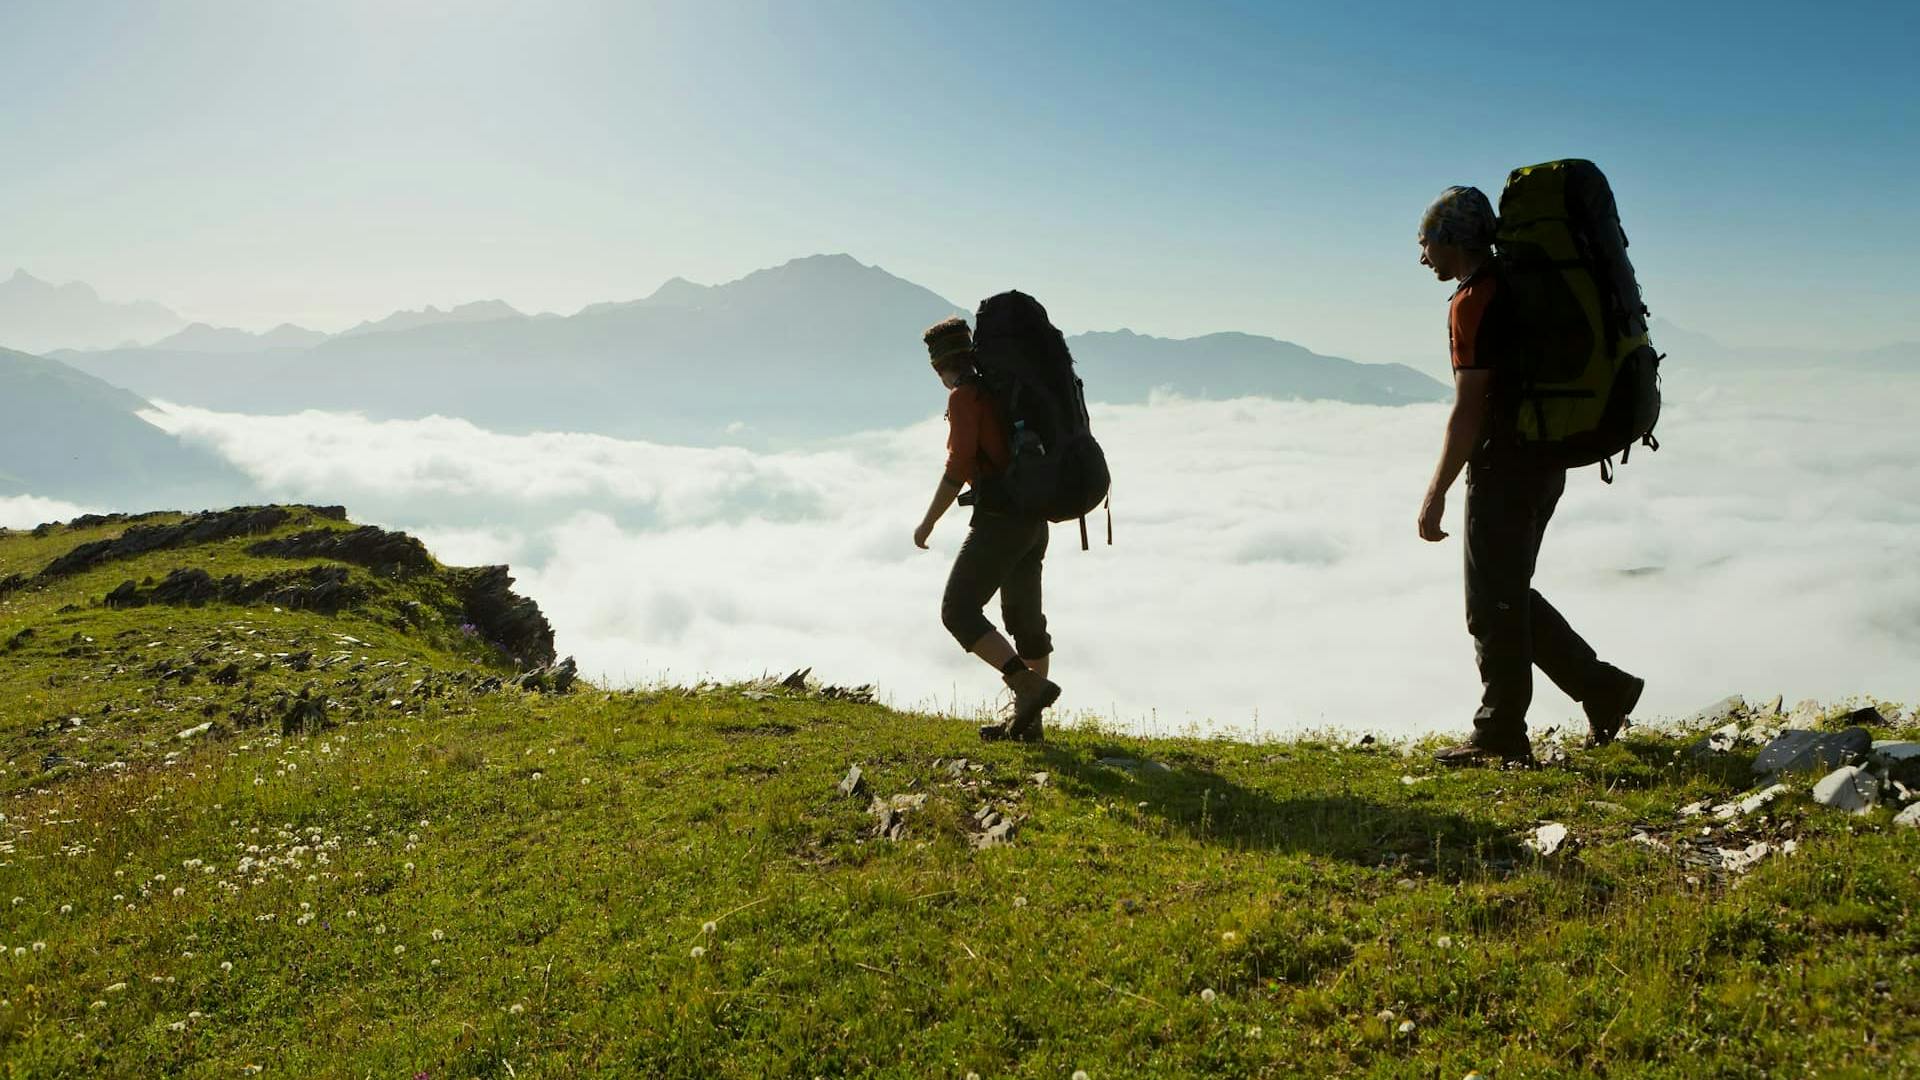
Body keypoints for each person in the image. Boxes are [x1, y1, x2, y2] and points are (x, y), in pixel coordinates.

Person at [1415, 185, 1644, 765]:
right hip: (1545, 459)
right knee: (1506, 594)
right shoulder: (1519, 286)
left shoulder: (1475, 299)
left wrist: (1436, 492)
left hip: (1505, 466)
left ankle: (1501, 732)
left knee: (1489, 604)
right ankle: (1604, 690)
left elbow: (1469, 409)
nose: (1422, 257)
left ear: (1451, 239)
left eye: (1426, 242)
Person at [914, 316, 1060, 742]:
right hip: (1033, 519)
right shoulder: (1002, 390)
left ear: (938, 365)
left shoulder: (965, 396)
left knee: (957, 610)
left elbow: (958, 465)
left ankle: (1026, 686)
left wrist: (928, 522)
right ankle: (1029, 727)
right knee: (1026, 622)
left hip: (1000, 522)